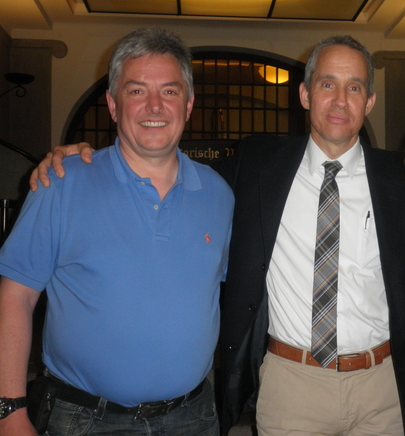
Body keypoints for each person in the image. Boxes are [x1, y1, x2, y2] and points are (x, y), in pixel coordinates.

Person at [29, 36, 405, 436]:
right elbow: (164, 165)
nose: (340, 99)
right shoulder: (256, 163)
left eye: (354, 87)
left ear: (370, 102)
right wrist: (82, 156)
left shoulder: (402, 179)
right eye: (327, 84)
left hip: (381, 384)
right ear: (306, 94)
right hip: (291, 382)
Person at [0, 28, 234, 436]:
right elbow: (16, 295)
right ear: (112, 104)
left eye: (170, 91)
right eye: (137, 91)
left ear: (189, 104)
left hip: (193, 417)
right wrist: (10, 411)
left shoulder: (219, 193)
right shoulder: (61, 183)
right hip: (84, 419)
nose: (155, 105)